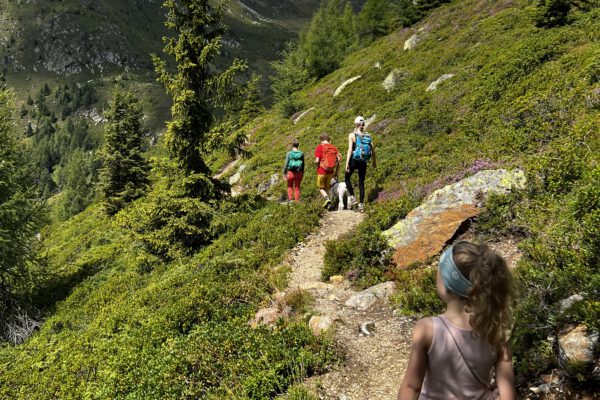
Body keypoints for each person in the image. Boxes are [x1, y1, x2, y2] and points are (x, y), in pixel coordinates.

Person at [398, 241, 517, 400]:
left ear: (448, 284)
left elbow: (411, 386)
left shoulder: (426, 329)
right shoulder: (494, 331)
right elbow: (507, 392)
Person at [345, 115, 376, 212]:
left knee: (347, 178)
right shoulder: (368, 136)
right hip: (363, 162)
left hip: (354, 160)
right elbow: (373, 150)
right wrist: (374, 162)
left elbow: (350, 149)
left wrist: (347, 163)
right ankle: (361, 205)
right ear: (363, 124)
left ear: (356, 124)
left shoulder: (352, 135)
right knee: (361, 182)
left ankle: (353, 198)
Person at [314, 133, 341, 209]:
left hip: (322, 171)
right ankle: (329, 205)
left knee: (321, 188)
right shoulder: (334, 148)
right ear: (329, 140)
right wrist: (336, 172)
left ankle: (327, 199)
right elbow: (339, 160)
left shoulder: (320, 147)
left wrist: (317, 166)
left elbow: (317, 160)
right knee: (327, 188)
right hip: (331, 172)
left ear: (322, 140)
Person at [282, 138, 304, 203]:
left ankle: (291, 201)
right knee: (297, 188)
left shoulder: (289, 153)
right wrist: (302, 173)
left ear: (292, 145)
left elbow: (286, 164)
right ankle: (297, 202)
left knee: (289, 186)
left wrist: (284, 173)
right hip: (299, 172)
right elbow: (303, 165)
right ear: (298, 145)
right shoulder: (301, 154)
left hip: (290, 172)